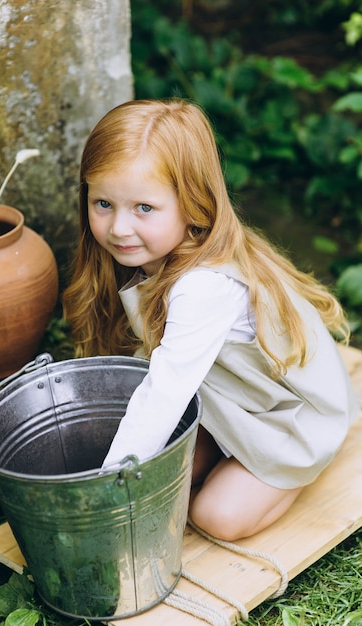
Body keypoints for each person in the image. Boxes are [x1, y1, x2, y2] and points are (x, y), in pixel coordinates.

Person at [62, 98, 359, 541]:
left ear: (191, 202)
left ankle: (294, 468)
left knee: (214, 516)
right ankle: (225, 451)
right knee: (165, 481)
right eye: (103, 202)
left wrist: (105, 491)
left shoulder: (203, 287)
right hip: (227, 401)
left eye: (144, 208)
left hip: (284, 414)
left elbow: (164, 393)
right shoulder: (154, 249)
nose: (120, 227)